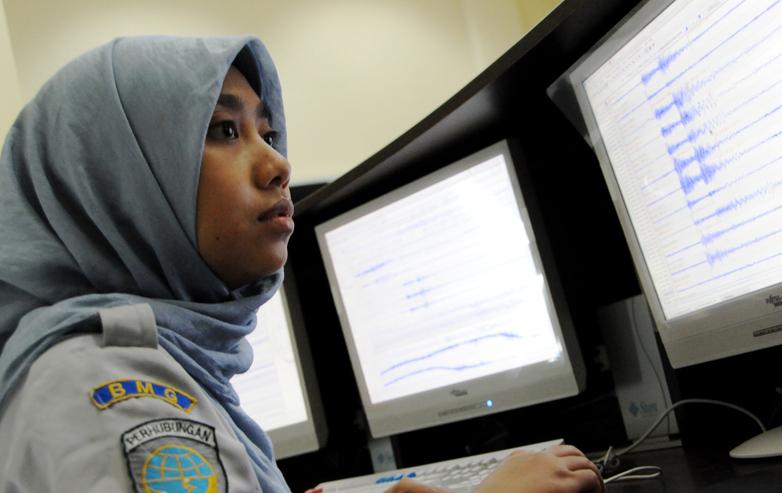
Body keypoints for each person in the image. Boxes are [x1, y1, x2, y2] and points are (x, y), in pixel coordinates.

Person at [0, 35, 603, 493]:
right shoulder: (105, 393)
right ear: (117, 183)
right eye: (224, 130)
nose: (277, 164)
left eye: (268, 131)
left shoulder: (143, 361)